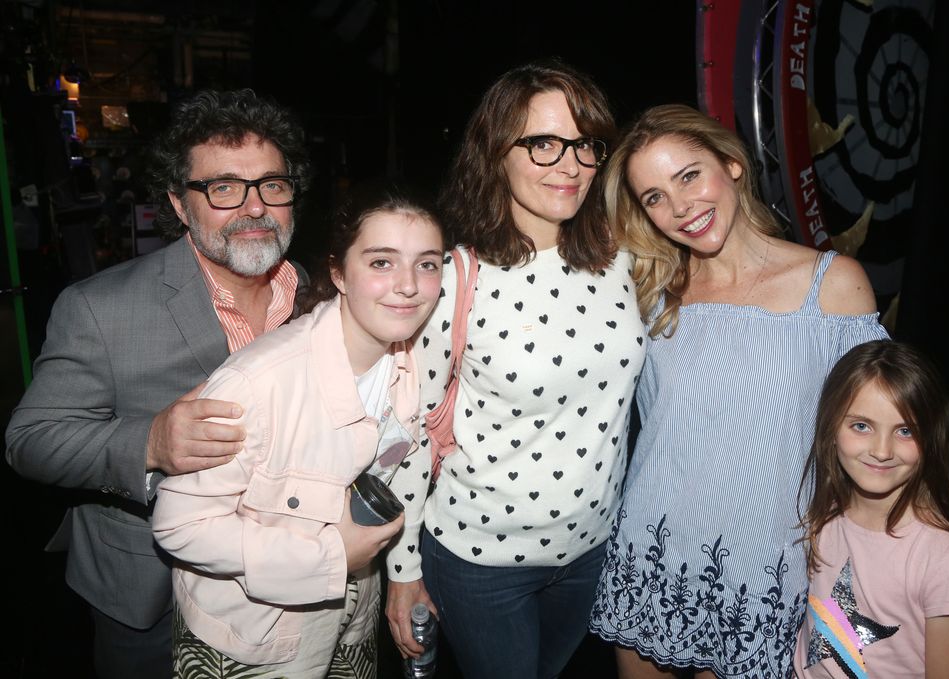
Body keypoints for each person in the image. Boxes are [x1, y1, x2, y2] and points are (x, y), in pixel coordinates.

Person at [5, 89, 310, 679]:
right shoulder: (100, 307)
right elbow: (30, 439)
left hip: (295, 582)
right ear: (178, 203)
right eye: (222, 188)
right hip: (154, 596)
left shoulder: (324, 297)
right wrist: (149, 445)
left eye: (272, 184)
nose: (254, 207)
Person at [588, 104, 890, 679]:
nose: (680, 208)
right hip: (652, 556)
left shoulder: (832, 285)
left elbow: (895, 417)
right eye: (654, 197)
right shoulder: (651, 291)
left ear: (732, 165)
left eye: (689, 176)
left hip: (761, 564)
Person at [384, 60, 646, 679]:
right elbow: (409, 431)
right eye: (544, 143)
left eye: (585, 144)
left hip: (593, 549)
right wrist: (403, 571)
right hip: (480, 559)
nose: (571, 164)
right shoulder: (451, 275)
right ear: (496, 152)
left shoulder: (624, 259)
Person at [152, 183, 444, 678]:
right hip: (252, 640)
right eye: (381, 262)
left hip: (353, 622)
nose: (409, 285)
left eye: (428, 263)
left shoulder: (412, 370)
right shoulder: (258, 383)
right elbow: (179, 526)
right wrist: (328, 557)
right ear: (338, 273)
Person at [794, 340, 949, 678]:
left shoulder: (946, 559)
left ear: (931, 438)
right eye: (861, 426)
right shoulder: (819, 512)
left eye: (905, 431)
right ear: (831, 428)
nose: (882, 451)